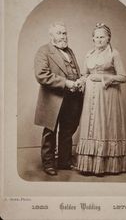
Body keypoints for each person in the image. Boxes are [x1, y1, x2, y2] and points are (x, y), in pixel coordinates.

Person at [76, 23, 126, 176]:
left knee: (104, 126)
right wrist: (82, 81)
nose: (99, 40)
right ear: (93, 39)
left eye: (102, 37)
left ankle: (104, 166)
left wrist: (103, 78)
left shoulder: (114, 54)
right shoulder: (89, 54)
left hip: (108, 96)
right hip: (90, 97)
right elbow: (85, 74)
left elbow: (123, 77)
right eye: (96, 37)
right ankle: (87, 166)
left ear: (108, 38)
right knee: (90, 127)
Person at [34, 22, 83, 176]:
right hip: (54, 98)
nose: (63, 36)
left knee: (67, 130)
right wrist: (66, 83)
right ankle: (48, 163)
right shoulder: (44, 51)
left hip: (72, 97)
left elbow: (75, 71)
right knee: (50, 131)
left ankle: (64, 161)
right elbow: (42, 75)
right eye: (59, 33)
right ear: (51, 36)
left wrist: (80, 82)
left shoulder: (70, 51)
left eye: (65, 33)